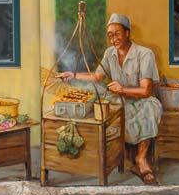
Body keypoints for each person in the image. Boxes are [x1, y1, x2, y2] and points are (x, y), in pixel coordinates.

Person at [58, 14, 163, 185]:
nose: (114, 39)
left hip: (140, 100)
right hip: (118, 98)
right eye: (110, 35)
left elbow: (145, 90)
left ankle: (141, 159)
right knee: (94, 95)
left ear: (127, 33)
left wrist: (123, 89)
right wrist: (73, 75)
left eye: (117, 33)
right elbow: (97, 77)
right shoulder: (109, 53)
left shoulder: (144, 54)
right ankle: (102, 158)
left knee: (150, 107)